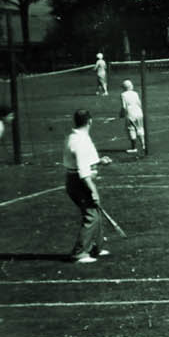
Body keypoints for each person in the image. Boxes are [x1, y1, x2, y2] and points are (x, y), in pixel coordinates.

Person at [64, 109, 112, 263]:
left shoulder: (75, 136)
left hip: (75, 180)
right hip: (80, 182)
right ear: (90, 121)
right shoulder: (81, 141)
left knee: (95, 213)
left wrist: (98, 161)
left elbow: (82, 160)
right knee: (91, 215)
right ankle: (79, 253)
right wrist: (94, 191)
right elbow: (83, 172)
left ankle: (96, 247)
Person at [117, 79, 145, 156]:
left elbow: (123, 106)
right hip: (139, 112)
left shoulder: (123, 94)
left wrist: (121, 114)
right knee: (140, 128)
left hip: (130, 113)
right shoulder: (135, 93)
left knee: (131, 129)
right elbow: (139, 103)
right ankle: (143, 145)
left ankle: (134, 148)